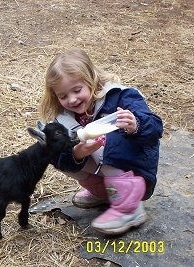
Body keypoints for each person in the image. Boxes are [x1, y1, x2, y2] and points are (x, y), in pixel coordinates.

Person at [39, 48, 163, 235]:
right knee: (57, 151)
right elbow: (60, 157)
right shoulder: (64, 118)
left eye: (77, 90)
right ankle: (105, 193)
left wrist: (135, 124)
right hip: (106, 165)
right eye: (63, 96)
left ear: (91, 79)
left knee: (101, 141)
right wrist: (78, 153)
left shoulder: (121, 96)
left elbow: (155, 128)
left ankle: (128, 208)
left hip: (136, 168)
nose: (71, 99)